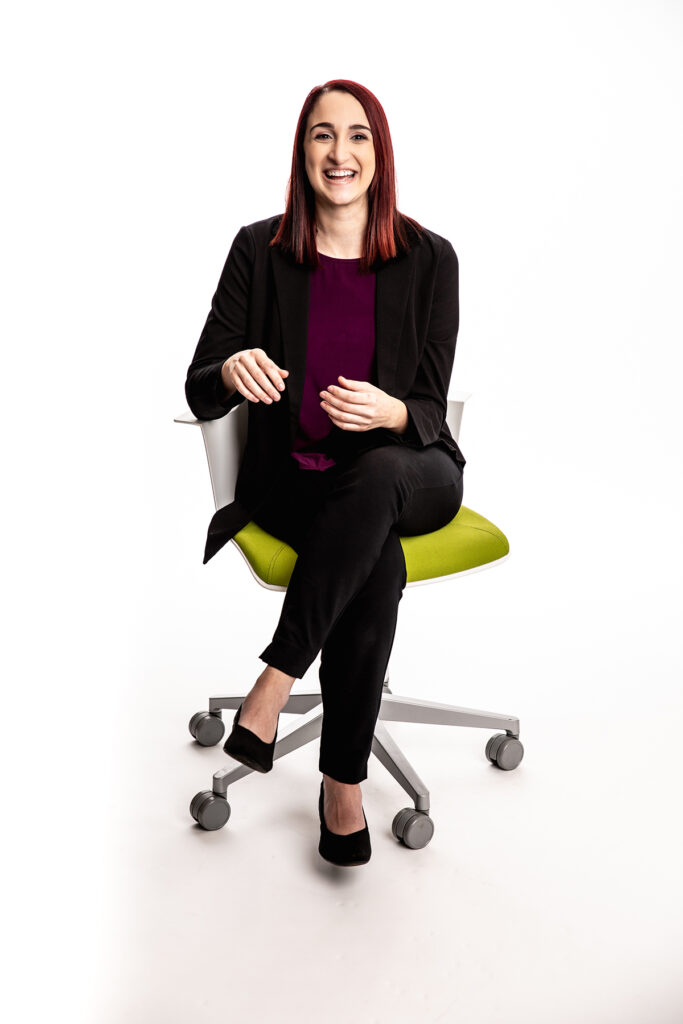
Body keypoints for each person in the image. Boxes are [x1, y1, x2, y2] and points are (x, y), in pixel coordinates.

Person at [184, 79, 466, 866]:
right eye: (320, 136)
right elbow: (198, 380)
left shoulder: (430, 258)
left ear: (379, 153)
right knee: (368, 544)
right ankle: (341, 784)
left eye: (357, 137)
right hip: (300, 485)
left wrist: (391, 416)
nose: (338, 154)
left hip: (416, 471)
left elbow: (431, 406)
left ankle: (272, 682)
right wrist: (230, 366)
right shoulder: (260, 249)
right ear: (301, 150)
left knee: (378, 480)